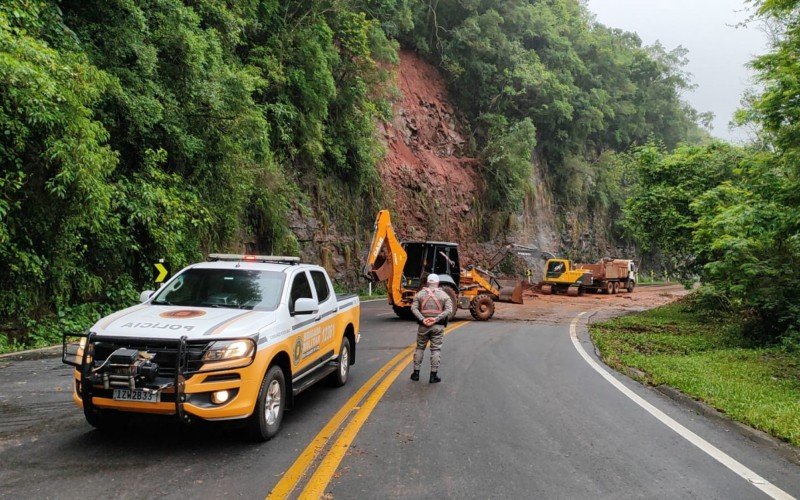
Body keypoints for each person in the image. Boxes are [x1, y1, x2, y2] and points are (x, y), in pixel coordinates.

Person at [410, 274, 453, 383]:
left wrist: (423, 319)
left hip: (423, 326)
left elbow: (413, 308)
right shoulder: (444, 295)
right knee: (436, 349)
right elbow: (449, 310)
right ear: (438, 283)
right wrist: (436, 319)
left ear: (428, 282)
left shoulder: (419, 294)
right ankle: (433, 376)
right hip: (437, 327)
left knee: (420, 348)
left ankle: (416, 374)